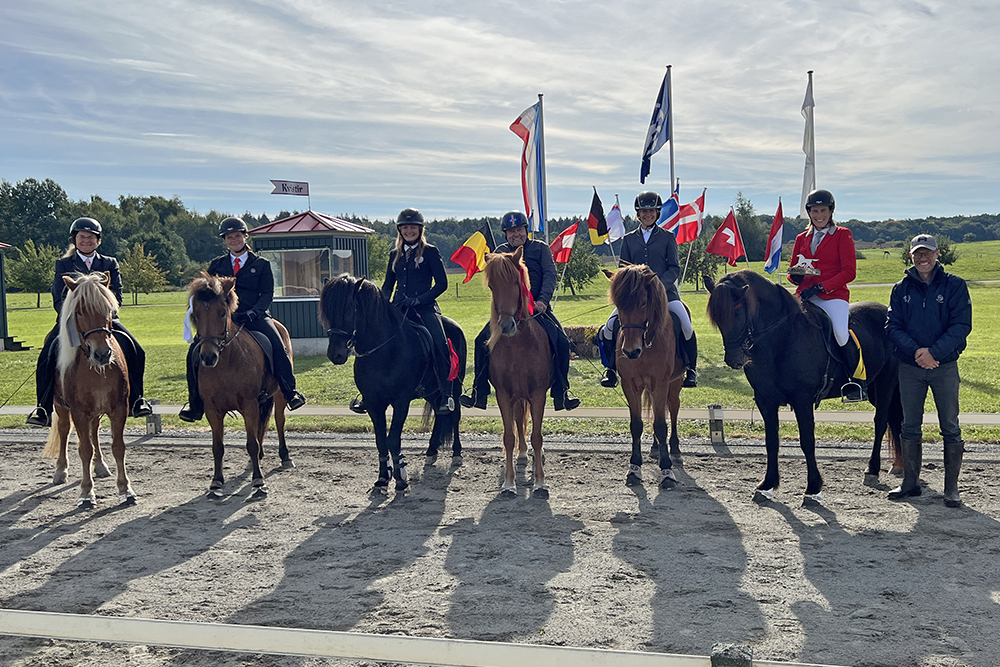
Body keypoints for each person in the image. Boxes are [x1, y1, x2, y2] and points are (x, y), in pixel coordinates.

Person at [26, 217, 152, 427]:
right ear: (74, 240)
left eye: (91, 237)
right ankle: (43, 407)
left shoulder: (109, 263)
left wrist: (103, 310)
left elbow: (117, 296)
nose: (86, 241)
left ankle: (137, 399)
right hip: (71, 320)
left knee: (136, 349)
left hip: (103, 320)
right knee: (47, 353)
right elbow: (58, 297)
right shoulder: (64, 264)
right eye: (82, 237)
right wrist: (72, 313)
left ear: (98, 241)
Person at [178, 217, 306, 421]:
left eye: (237, 235)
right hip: (223, 319)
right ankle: (195, 404)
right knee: (194, 352)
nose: (234, 240)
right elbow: (208, 295)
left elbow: (267, 294)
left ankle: (290, 392)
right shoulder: (217, 265)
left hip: (254, 316)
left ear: (245, 236)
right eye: (229, 237)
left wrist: (254, 312)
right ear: (225, 240)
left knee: (276, 345)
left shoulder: (261, 264)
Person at [460, 211, 580, 411]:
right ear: (506, 234)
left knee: (560, 340)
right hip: (509, 312)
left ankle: (562, 391)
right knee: (480, 341)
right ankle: (478, 391)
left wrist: (542, 300)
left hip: (538, 310)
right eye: (511, 231)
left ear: (526, 230)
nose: (516, 234)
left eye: (519, 230)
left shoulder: (540, 249)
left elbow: (550, 275)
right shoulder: (499, 252)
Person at [885, 234, 972, 507]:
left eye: (928, 253)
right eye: (918, 254)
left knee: (950, 425)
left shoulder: (955, 285)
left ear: (937, 255)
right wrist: (917, 353)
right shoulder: (901, 289)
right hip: (910, 368)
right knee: (909, 425)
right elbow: (893, 327)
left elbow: (961, 326)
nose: (923, 258)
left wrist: (934, 353)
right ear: (911, 256)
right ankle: (910, 483)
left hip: (943, 366)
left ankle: (951, 489)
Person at [350, 208, 454, 414]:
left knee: (440, 342)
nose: (409, 231)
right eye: (405, 228)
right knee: (372, 340)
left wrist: (420, 299)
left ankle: (445, 393)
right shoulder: (394, 255)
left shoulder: (431, 252)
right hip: (397, 308)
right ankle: (367, 393)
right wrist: (379, 305)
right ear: (400, 230)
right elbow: (388, 285)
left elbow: (442, 284)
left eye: (413, 227)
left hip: (424, 308)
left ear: (420, 229)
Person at [596, 191, 698, 388]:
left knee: (685, 325)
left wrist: (659, 284)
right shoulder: (629, 239)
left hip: (666, 295)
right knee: (608, 328)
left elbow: (674, 268)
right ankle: (610, 370)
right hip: (634, 298)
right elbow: (623, 268)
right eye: (644, 211)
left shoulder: (668, 237)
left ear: (657, 213)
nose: (647, 215)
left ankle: (691, 369)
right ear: (638, 214)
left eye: (651, 211)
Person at [787, 189, 867, 402]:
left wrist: (822, 287)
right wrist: (794, 277)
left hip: (833, 296)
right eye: (814, 211)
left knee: (841, 333)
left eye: (823, 210)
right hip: (805, 295)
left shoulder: (843, 234)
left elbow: (849, 272)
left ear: (831, 211)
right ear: (809, 212)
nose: (819, 215)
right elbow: (793, 269)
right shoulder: (801, 238)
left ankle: (856, 381)